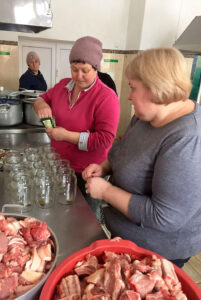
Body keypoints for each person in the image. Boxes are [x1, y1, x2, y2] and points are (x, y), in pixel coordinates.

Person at [82, 47, 201, 268]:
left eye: (133, 88)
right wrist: (105, 167)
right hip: (126, 238)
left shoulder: (188, 138)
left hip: (158, 252)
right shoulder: (146, 116)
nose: (129, 96)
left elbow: (165, 216)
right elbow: (124, 151)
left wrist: (105, 191)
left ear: (156, 89)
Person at [33, 36, 120, 219]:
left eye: (85, 70)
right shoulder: (63, 85)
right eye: (74, 69)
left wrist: (66, 136)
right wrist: (41, 105)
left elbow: (105, 139)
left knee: (85, 221)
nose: (78, 75)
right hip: (59, 166)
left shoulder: (106, 97)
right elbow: (41, 98)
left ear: (96, 68)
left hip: (88, 172)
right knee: (61, 215)